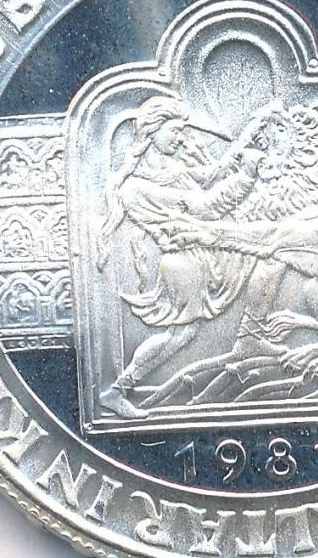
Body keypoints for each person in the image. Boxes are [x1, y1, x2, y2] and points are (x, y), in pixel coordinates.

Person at [96, 95, 260, 418]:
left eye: (182, 131)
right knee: (179, 335)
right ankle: (116, 391)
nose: (181, 138)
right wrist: (246, 177)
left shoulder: (170, 169)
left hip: (204, 256)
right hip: (185, 263)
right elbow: (205, 206)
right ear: (152, 130)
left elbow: (211, 175)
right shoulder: (135, 188)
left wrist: (249, 135)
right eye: (175, 130)